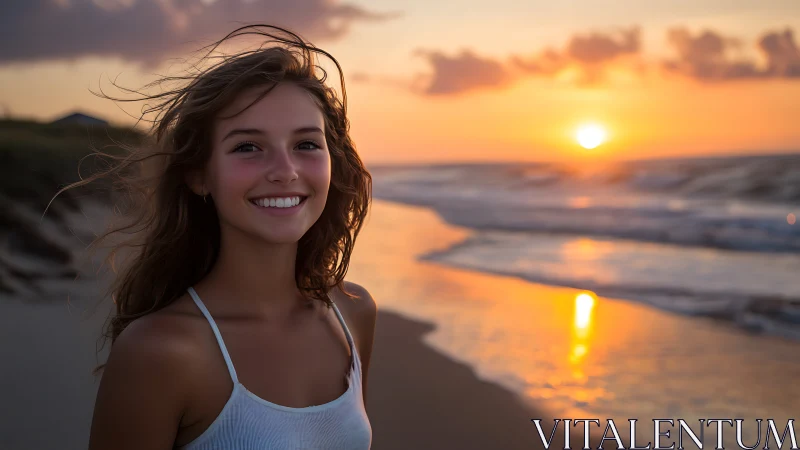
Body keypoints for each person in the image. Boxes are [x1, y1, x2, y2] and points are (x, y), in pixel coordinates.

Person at [66, 24, 376, 449]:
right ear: (199, 175)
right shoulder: (160, 351)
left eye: (306, 144)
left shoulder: (352, 313)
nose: (285, 170)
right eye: (248, 147)